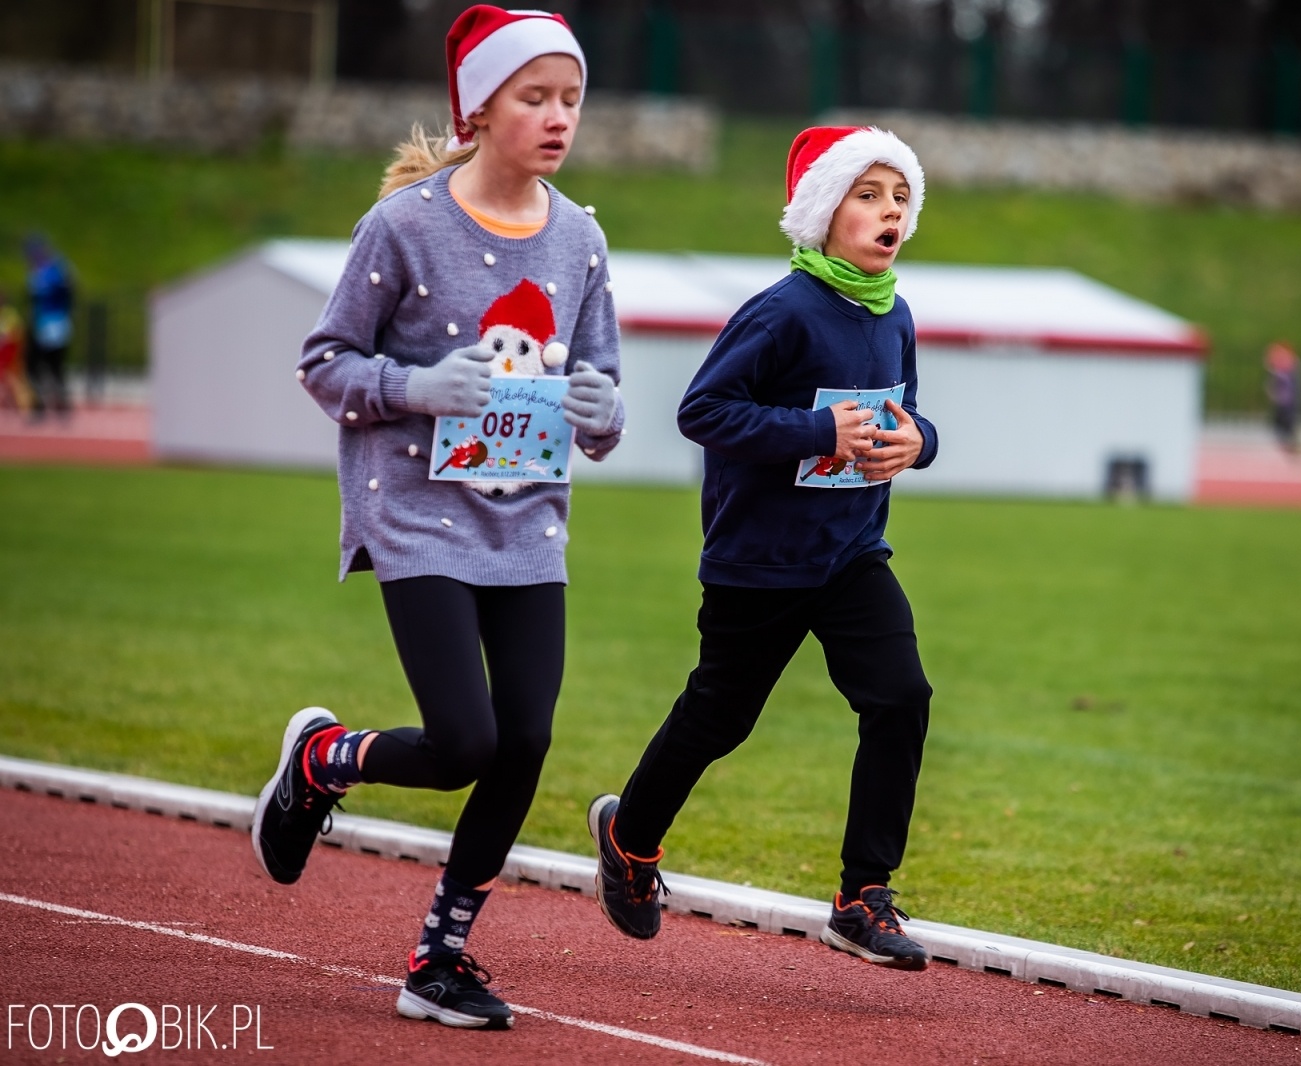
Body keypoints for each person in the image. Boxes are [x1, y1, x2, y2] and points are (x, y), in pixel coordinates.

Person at [249, 5, 622, 1031]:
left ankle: (439, 956)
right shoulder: (405, 225)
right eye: (534, 97)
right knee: (463, 737)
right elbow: (325, 363)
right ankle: (323, 762)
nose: (557, 118)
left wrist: (602, 411)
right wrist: (420, 387)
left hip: (526, 525)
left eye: (570, 99)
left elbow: (604, 391)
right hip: (414, 515)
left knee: (527, 738)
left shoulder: (582, 237)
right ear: (479, 107)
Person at [587, 126, 940, 971]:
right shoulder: (781, 311)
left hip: (852, 552)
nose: (889, 211)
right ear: (822, 212)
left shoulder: (896, 315)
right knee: (720, 717)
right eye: (868, 194)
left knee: (901, 698)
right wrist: (818, 428)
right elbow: (702, 412)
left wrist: (918, 442)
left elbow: (907, 415)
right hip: (760, 559)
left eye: (900, 198)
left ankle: (863, 896)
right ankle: (629, 841)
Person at [23, 235, 73, 418]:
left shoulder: (55, 272)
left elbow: (66, 294)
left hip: (53, 324)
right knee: (36, 366)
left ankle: (57, 405)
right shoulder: (39, 273)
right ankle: (43, 404)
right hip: (43, 324)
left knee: (51, 366)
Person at [1264, 340, 1301, 454]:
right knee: (1279, 422)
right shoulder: (1279, 369)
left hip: (1289, 400)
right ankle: (1288, 443)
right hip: (1281, 400)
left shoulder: (1290, 367)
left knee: (1289, 421)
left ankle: (1293, 443)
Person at [0, 288, 34, 412]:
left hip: (11, 355)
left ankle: (27, 408)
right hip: (4, 355)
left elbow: (18, 334)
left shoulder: (9, 315)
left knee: (16, 381)